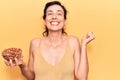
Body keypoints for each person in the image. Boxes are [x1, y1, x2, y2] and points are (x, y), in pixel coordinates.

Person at [4, 1, 95, 80]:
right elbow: (31, 77)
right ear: (45, 20)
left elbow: (82, 78)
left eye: (59, 14)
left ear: (65, 21)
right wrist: (22, 65)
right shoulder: (35, 43)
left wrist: (83, 45)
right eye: (50, 13)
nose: (54, 17)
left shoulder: (73, 42)